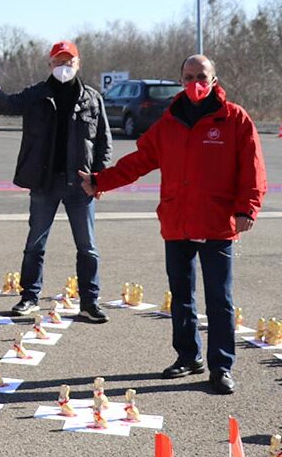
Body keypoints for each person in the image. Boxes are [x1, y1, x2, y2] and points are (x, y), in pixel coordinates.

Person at [80, 55, 266, 394]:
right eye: (189, 76)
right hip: (177, 222)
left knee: (219, 300)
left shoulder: (234, 119)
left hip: (217, 224)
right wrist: (99, 181)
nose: (195, 83)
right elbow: (138, 162)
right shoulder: (169, 123)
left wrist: (247, 209)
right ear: (181, 80)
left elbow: (252, 169)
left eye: (202, 76)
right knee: (181, 297)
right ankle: (188, 356)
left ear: (214, 79)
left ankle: (221, 367)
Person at [0, 41, 111, 323]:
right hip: (44, 182)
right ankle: (29, 297)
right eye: (59, 62)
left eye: (69, 62)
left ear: (78, 64)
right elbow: (7, 105)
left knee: (87, 247)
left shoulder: (92, 99)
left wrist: (99, 178)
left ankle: (89, 302)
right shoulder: (37, 94)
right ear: (50, 65)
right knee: (35, 244)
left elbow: (103, 141)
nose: (64, 67)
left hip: (81, 184)